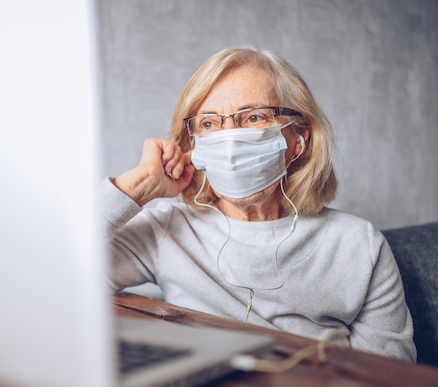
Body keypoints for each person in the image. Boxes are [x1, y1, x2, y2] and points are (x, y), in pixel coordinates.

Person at [100, 46, 416, 362]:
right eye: (209, 124)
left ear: (298, 140)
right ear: (194, 145)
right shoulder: (168, 229)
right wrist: (137, 187)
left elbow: (395, 377)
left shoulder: (359, 244)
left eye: (253, 116)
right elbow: (57, 273)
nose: (230, 140)